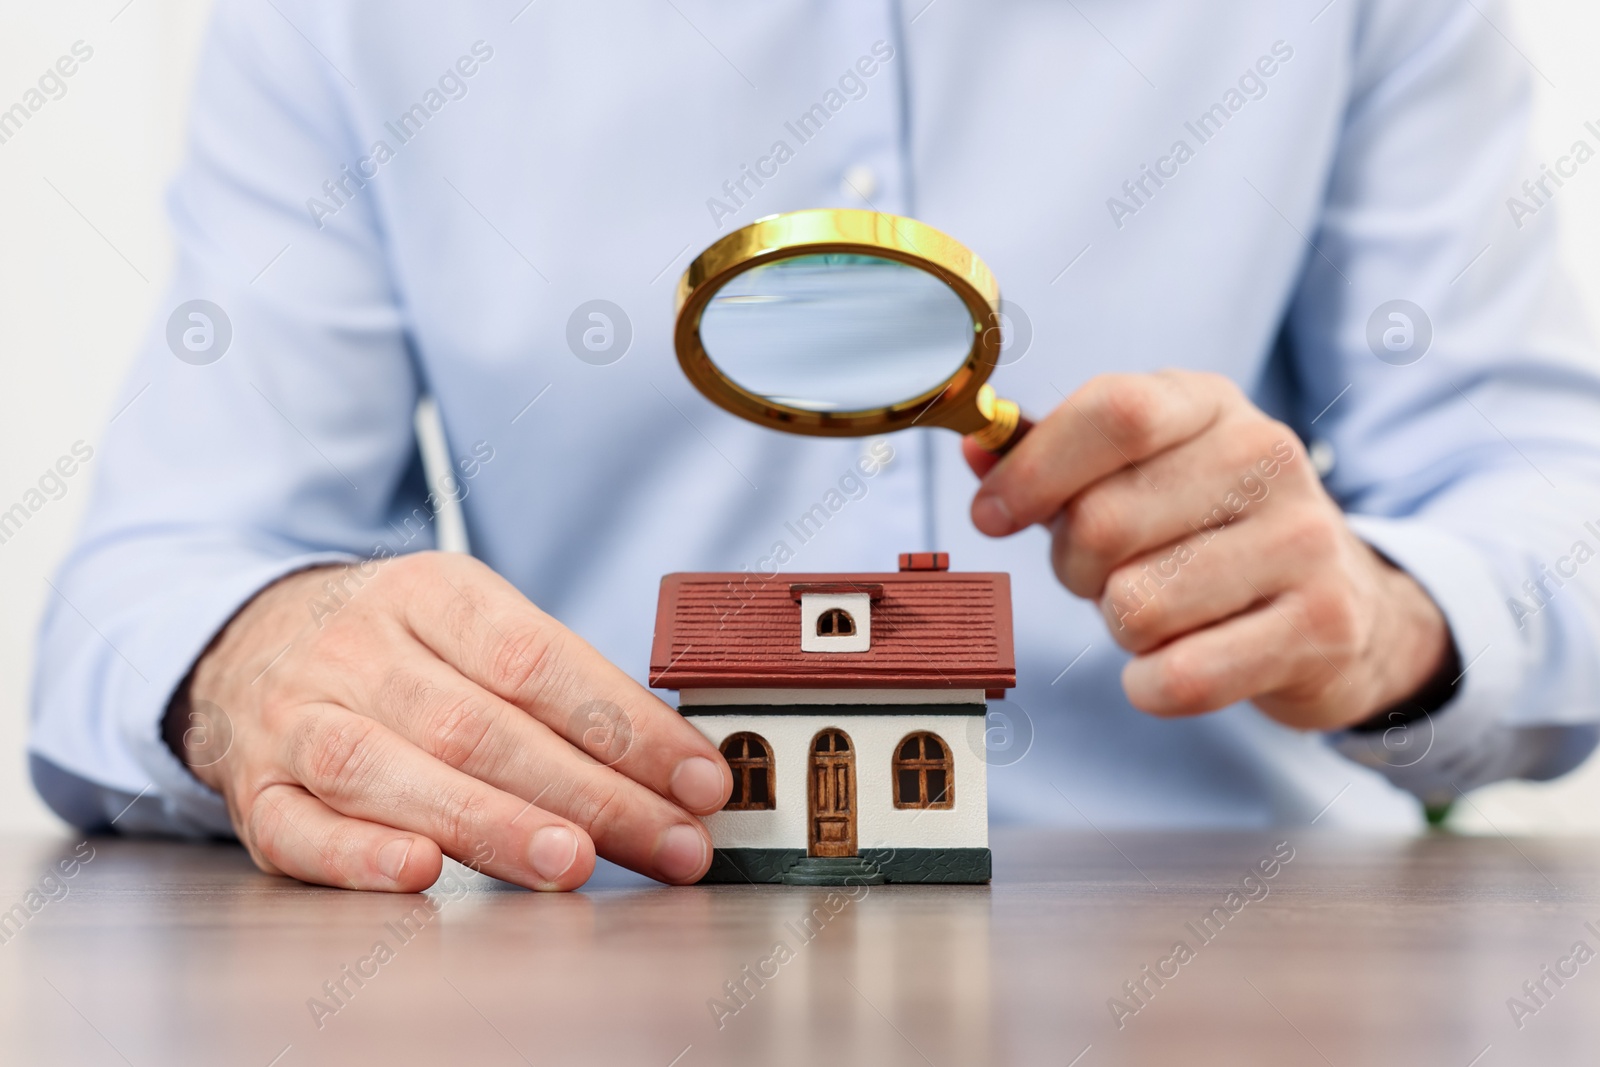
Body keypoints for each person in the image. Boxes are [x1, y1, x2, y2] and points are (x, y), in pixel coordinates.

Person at [30, 0, 1600, 892]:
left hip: (1275, 979)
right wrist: (248, 662)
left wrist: (1398, 615)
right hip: (590, 973)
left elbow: (1550, 503)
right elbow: (146, 586)